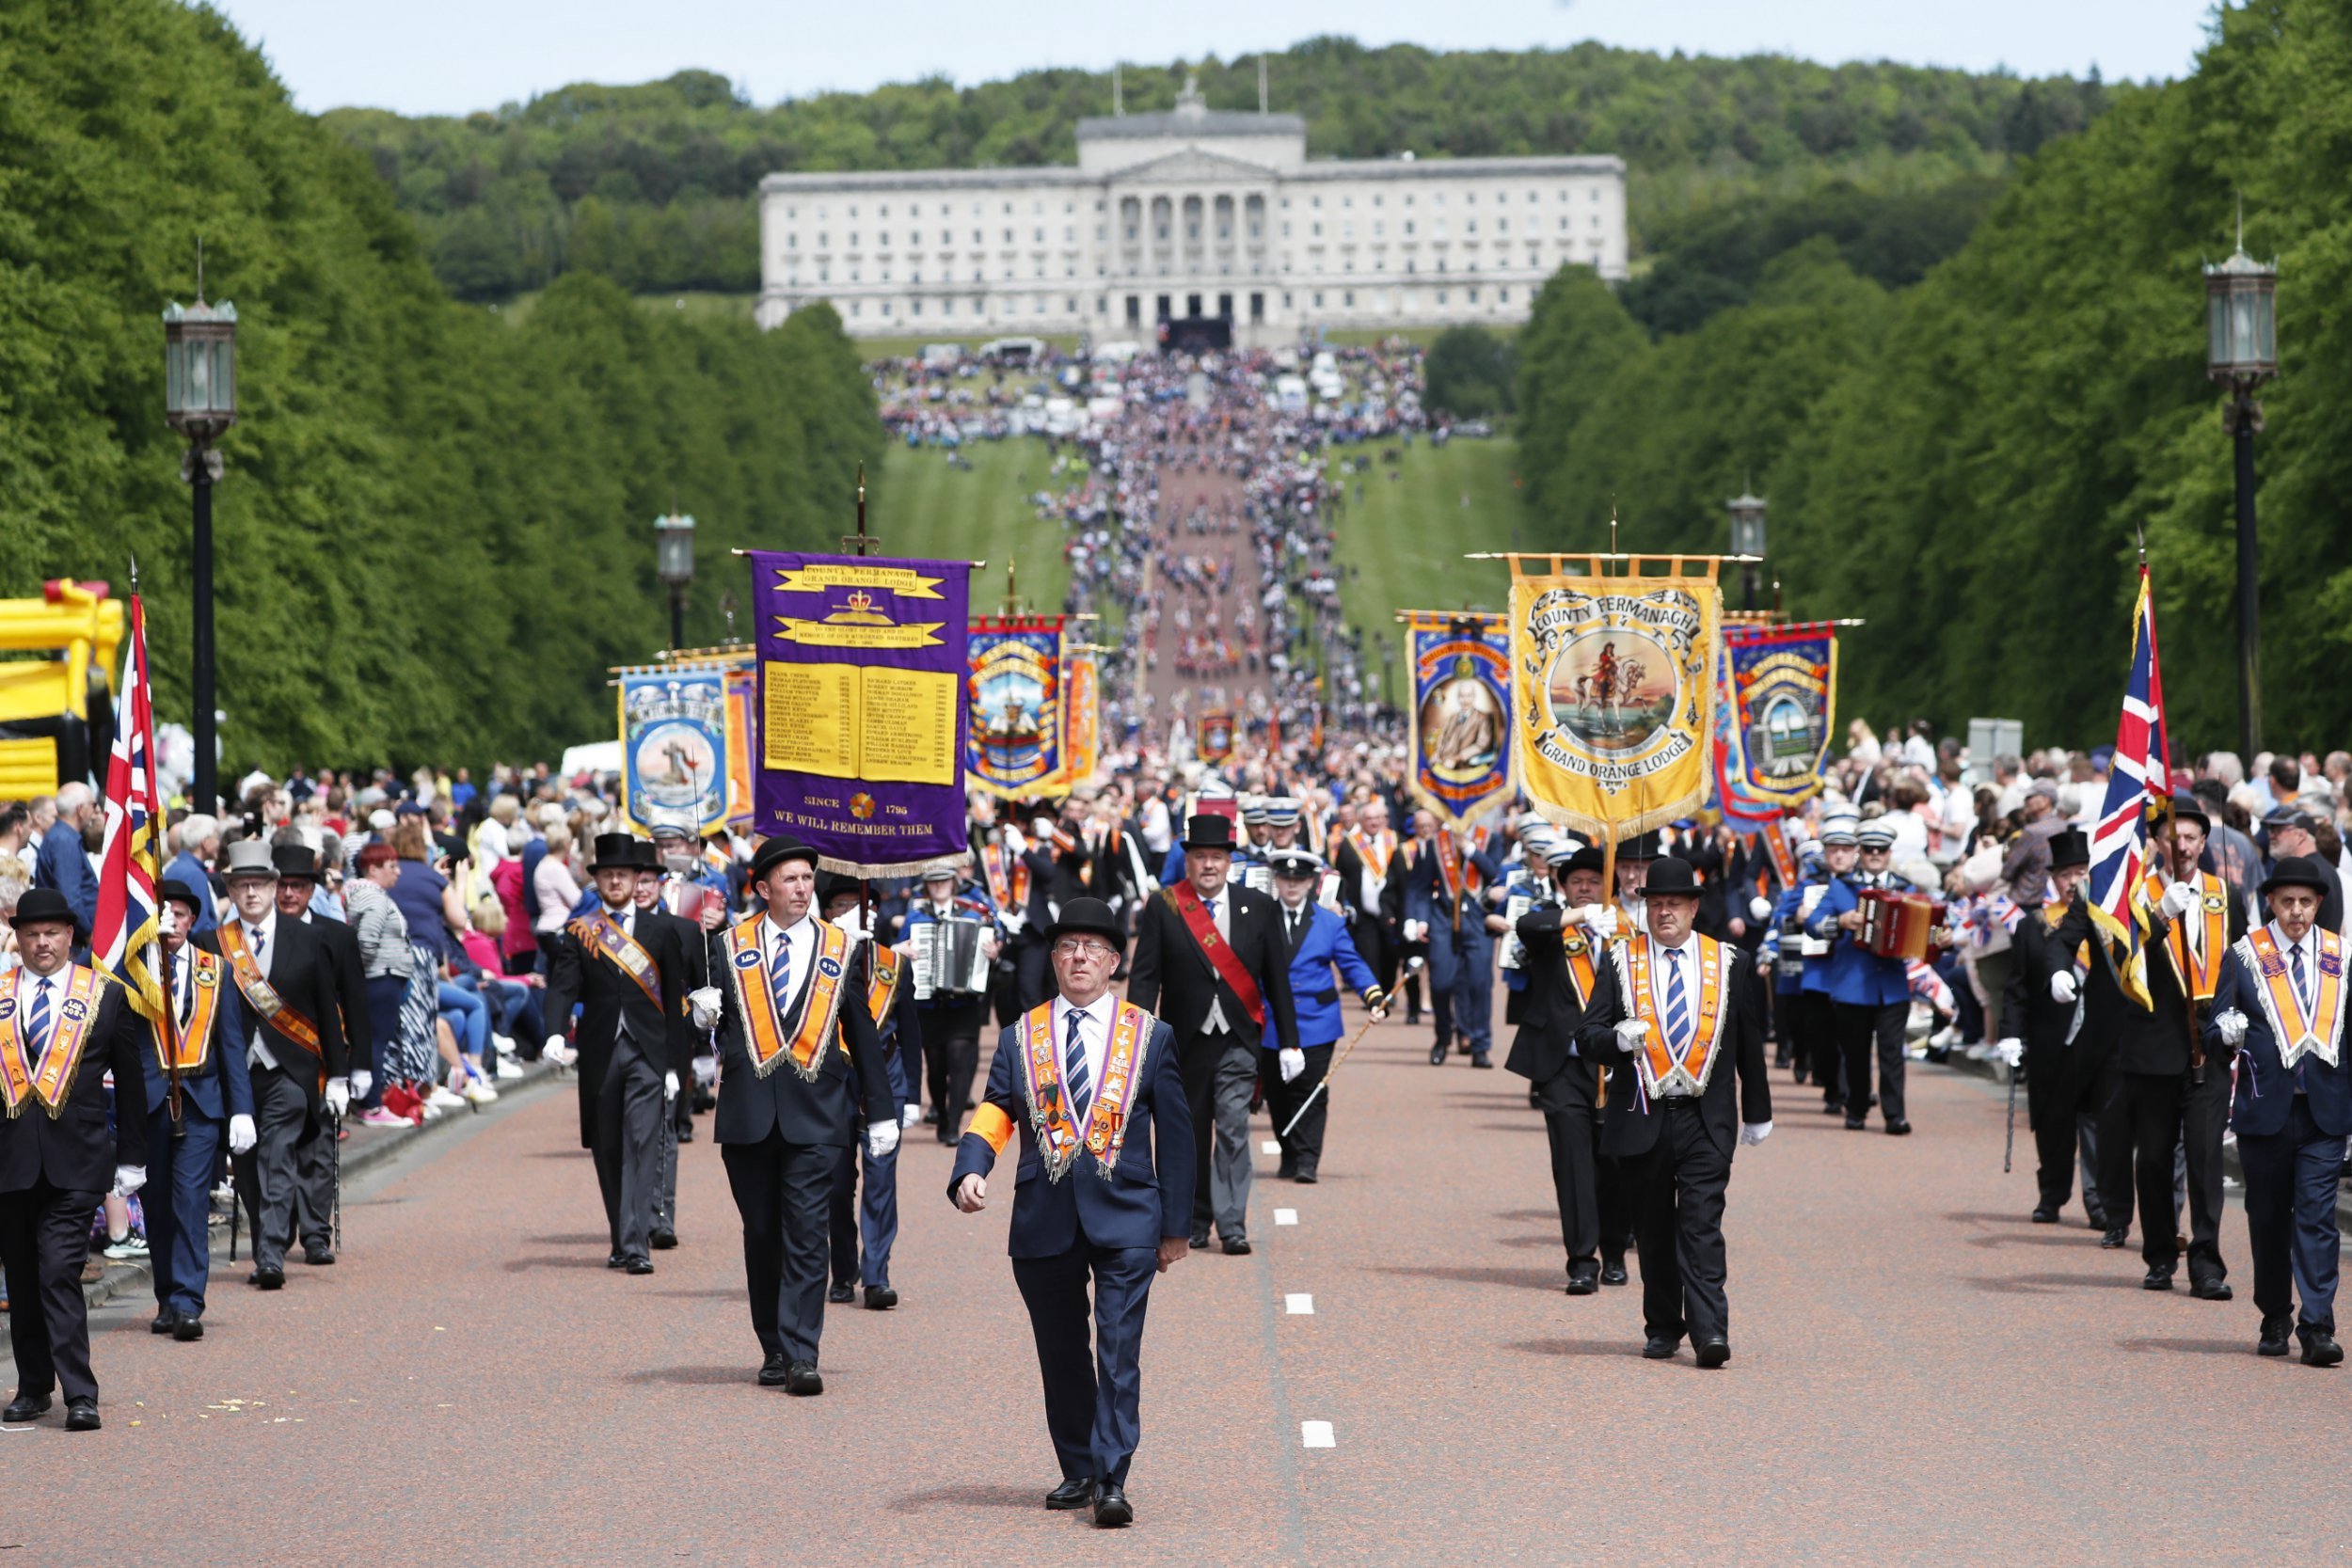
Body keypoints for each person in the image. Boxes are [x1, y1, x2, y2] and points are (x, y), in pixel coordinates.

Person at [949, 895, 1194, 1528]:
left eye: (1093, 948)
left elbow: (1177, 1131)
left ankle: (1113, 1477)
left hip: (1129, 1217)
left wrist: (1175, 1226)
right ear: (1053, 959)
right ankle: (1080, 1465)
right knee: (1060, 1351)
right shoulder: (1019, 1034)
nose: (1079, 957)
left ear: (1114, 961)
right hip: (1044, 1213)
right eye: (1067, 947)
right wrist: (973, 1166)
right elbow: (996, 1109)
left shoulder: (1151, 1034)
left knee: (1117, 1349)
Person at [699, 836, 896, 1392]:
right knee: (763, 1233)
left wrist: (880, 1111)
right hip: (749, 1115)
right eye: (790, 879)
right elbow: (711, 1026)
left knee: (808, 1233)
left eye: (807, 879)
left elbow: (861, 1031)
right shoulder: (725, 946)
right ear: (763, 888)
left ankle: (802, 1353)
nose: (803, 888)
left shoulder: (843, 947)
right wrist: (699, 1021)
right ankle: (773, 1345)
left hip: (819, 1114)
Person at [1577, 857, 1773, 1367]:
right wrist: (1616, 1040)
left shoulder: (1730, 961)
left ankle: (1710, 1332)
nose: (1665, 912)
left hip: (1706, 1118)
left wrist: (1757, 1110)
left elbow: (1749, 1041)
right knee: (1656, 1229)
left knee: (1702, 1226)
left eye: (1675, 904)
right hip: (1643, 1113)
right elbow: (1587, 1036)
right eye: (1656, 903)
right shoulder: (1622, 959)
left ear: (1693, 907)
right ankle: (1663, 1325)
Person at [0, 888, 151, 1431]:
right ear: (17, 940)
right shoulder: (1, 995)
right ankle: (33, 1387)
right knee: (21, 1277)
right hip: (10, 1161)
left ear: (70, 937)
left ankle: (79, 1393)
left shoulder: (106, 996)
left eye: (52, 934)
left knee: (58, 1270)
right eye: (32, 934)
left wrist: (133, 1156)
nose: (42, 943)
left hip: (79, 1160)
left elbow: (132, 1083)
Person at [1124, 810, 1298, 1255]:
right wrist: (1136, 1038)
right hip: (1184, 1040)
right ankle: (1195, 1220)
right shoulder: (1165, 906)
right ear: (1189, 861)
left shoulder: (1258, 906)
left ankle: (1232, 1222)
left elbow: (1277, 978)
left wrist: (1290, 1041)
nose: (1208, 865)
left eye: (1217, 857)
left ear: (1228, 861)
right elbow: (1145, 978)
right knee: (1191, 1134)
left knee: (1235, 1129)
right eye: (1200, 856)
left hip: (1239, 1039)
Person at [2207, 854, 2350, 1363]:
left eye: (2306, 903)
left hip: (2324, 1113)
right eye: (2287, 902)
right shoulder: (2246, 955)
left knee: (2316, 1220)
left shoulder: (2340, 956)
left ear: (2319, 905)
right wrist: (2223, 1032)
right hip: (2266, 1111)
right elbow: (2216, 1021)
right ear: (2271, 902)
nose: (2296, 912)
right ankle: (2274, 1313)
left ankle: (2317, 1327)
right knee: (2268, 1218)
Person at [542, 833, 696, 1272]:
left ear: (636, 879)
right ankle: (620, 1236)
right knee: (607, 1146)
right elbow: (563, 986)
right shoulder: (581, 931)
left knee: (643, 1142)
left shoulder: (662, 929)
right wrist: (555, 1032)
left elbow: (671, 1000)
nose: (616, 881)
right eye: (608, 874)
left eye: (623, 875)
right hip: (600, 1051)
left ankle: (636, 1246)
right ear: (598, 881)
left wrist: (674, 1064)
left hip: (647, 1053)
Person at [2107, 798, 2243, 1295]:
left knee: (2207, 1157)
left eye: (2191, 838)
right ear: (2158, 842)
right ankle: (2161, 1252)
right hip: (2154, 1043)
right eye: (2173, 837)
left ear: (2204, 843)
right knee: (2156, 1158)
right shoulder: (2137, 894)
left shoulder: (2225, 894)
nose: (2182, 846)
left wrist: (2234, 1014)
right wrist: (2159, 917)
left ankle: (2207, 1264)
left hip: (2210, 1044)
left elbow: (2242, 961)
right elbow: (2122, 963)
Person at [207, 840, 350, 1290]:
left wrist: (340, 1074)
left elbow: (328, 1010)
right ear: (230, 889)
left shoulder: (308, 938)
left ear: (273, 887)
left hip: (291, 1071)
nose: (251, 893)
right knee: (247, 1167)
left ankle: (269, 1255)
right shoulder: (212, 944)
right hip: (237, 1075)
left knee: (276, 1155)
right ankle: (275, 1225)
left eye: (259, 884)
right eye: (241, 885)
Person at [1508, 844, 1629, 1292]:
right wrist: (1579, 917)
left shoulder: (1627, 930)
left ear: (1608, 886)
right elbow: (1525, 925)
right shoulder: (1553, 924)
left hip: (1617, 1068)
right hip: (1563, 1067)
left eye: (1594, 882)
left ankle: (1615, 1250)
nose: (1584, 888)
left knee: (1615, 1164)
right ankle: (1582, 1260)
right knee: (1573, 1164)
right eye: (1575, 881)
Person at [141, 879, 257, 1341]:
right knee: (156, 1205)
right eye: (164, 915)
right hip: (150, 1103)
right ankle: (167, 1295)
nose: (173, 923)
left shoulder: (217, 970)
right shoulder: (135, 973)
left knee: (189, 1201)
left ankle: (189, 1301)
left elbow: (231, 1043)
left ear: (193, 921)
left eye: (181, 915)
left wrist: (241, 1109)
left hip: (202, 1103)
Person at [1995, 830, 2115, 1230]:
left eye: (2081, 873)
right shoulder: (2034, 926)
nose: (2073, 882)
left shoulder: (2105, 923)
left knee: (2097, 1124)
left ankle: (2098, 1201)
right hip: (2051, 1041)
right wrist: (2010, 1034)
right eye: (2066, 875)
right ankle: (2051, 1195)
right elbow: (2016, 988)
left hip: (2096, 1039)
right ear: (2054, 879)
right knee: (2051, 1124)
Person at [818, 874, 913, 1309]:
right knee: (836, 1183)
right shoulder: (818, 961)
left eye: (860, 906)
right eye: (841, 906)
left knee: (880, 1179)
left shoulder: (894, 964)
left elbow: (910, 1033)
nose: (853, 912)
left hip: (886, 1075)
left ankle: (877, 1274)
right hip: (834, 1079)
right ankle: (842, 1269)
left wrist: (909, 1095)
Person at [1263, 850, 1386, 1184]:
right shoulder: (1260, 917)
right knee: (1276, 1091)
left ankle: (1307, 1160)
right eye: (1286, 879)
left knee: (1311, 1090)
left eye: (1299, 879)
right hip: (1271, 1020)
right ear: (1277, 881)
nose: (1292, 885)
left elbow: (1351, 962)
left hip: (1316, 1020)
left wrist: (1372, 994)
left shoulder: (1330, 922)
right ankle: (1288, 1151)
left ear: (1311, 883)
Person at [1807, 820, 1917, 1133]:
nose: (1873, 855)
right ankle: (1855, 1108)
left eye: (1880, 850)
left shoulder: (1905, 887)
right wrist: (1840, 920)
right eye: (1867, 850)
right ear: (1860, 853)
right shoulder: (1842, 886)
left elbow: (1935, 924)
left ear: (1888, 853)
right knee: (1855, 1055)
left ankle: (1894, 1115)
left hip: (1892, 986)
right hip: (1853, 985)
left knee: (1892, 1054)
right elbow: (1813, 924)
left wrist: (1940, 936)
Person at [900, 862, 1000, 1142]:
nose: (939, 886)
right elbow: (898, 950)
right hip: (929, 1003)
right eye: (934, 882)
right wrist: (905, 952)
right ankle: (942, 1115)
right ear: (927, 887)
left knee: (959, 1058)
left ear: (953, 884)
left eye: (944, 881)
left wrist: (995, 950)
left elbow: (998, 934)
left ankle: (954, 1124)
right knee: (935, 1066)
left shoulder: (974, 912)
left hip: (964, 1003)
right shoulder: (916, 918)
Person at [30, 783, 100, 942]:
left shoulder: (63, 837)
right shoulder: (64, 841)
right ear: (80, 810)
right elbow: (70, 898)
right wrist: (89, 934)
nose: (95, 811)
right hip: (77, 941)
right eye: (93, 805)